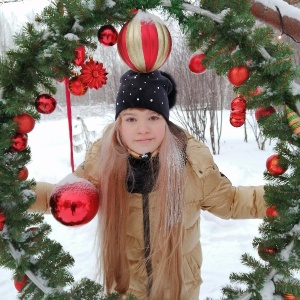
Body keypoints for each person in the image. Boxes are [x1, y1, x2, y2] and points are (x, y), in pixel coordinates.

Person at [31, 70, 266, 300]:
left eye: (153, 117)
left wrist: (281, 199)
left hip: (179, 289)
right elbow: (65, 199)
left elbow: (232, 202)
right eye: (131, 119)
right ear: (119, 124)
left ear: (165, 120)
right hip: (125, 289)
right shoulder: (101, 164)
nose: (143, 129)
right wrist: (20, 197)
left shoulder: (192, 164)